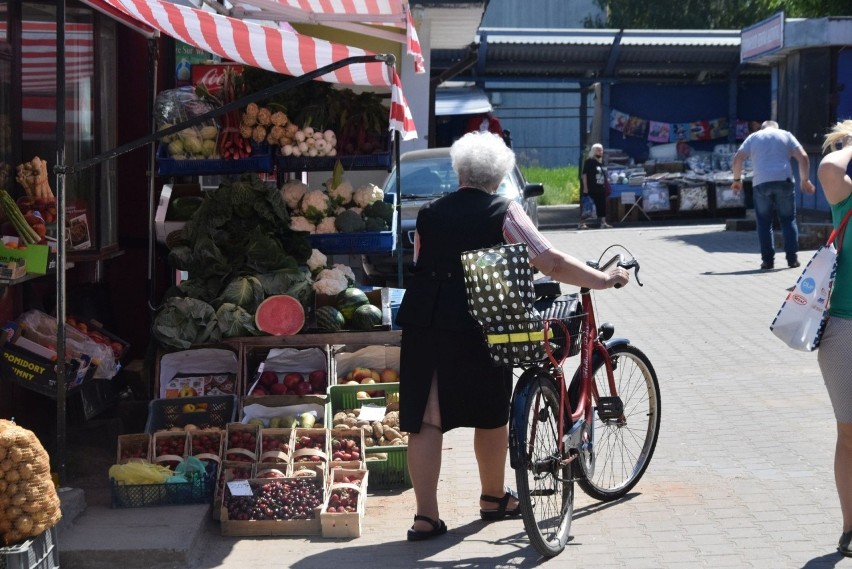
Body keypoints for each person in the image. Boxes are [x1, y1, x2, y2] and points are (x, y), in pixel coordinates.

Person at [395, 131, 630, 542]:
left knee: (426, 421)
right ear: (499, 175)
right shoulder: (504, 210)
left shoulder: (429, 214)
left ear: (459, 171)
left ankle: (425, 518)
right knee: (490, 414)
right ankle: (492, 497)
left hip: (425, 320)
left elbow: (421, 263)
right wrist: (603, 279)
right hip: (481, 323)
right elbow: (550, 261)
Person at [816, 119, 852, 557]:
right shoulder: (844, 193)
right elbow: (826, 167)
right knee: (850, 434)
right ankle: (850, 526)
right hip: (845, 327)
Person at [731, 120, 816, 270]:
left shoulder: (753, 137)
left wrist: (737, 180)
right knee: (788, 220)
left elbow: (738, 158)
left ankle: (767, 261)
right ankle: (792, 259)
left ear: (763, 127)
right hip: (784, 180)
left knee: (764, 223)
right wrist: (805, 180)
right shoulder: (786, 135)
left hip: (761, 182)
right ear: (775, 127)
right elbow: (803, 157)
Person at [580, 143, 612, 230]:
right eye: (598, 150)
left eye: (601, 150)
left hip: (600, 188)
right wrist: (585, 187)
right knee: (587, 205)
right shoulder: (589, 162)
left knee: (602, 206)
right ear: (593, 151)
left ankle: (603, 223)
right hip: (591, 188)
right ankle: (582, 223)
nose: (600, 152)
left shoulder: (600, 162)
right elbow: (584, 175)